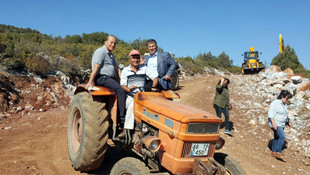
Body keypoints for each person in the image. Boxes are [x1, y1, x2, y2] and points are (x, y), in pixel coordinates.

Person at [86, 35, 126, 122]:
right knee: (121, 90)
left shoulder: (111, 55)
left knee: (123, 88)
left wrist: (123, 80)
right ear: (105, 42)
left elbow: (117, 69)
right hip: (102, 78)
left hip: (109, 78)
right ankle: (122, 117)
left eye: (115, 43)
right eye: (111, 42)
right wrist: (90, 82)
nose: (113, 45)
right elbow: (96, 67)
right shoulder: (101, 51)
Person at [120, 50, 158, 132]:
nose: (136, 60)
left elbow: (154, 78)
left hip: (143, 95)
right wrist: (129, 89)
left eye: (137, 58)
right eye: (133, 58)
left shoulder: (144, 69)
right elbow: (122, 85)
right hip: (131, 95)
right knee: (132, 104)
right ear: (130, 60)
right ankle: (127, 129)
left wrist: (153, 86)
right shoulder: (125, 70)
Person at [268, 90, 292, 161]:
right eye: (287, 98)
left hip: (282, 124)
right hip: (276, 123)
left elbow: (285, 114)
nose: (287, 100)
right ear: (282, 96)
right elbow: (270, 114)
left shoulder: (283, 104)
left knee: (277, 137)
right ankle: (278, 152)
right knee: (282, 136)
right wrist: (273, 123)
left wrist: (288, 122)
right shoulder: (275, 103)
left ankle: (274, 151)